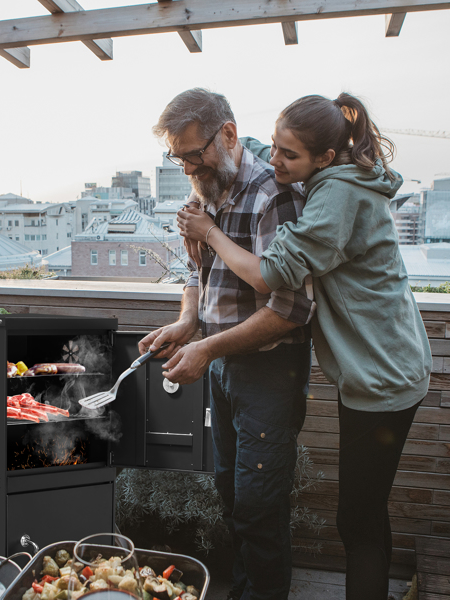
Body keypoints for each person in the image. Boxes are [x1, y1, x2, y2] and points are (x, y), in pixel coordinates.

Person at [177, 93, 432, 600]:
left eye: (288, 155)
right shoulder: (324, 177)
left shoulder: (333, 196)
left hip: (381, 374)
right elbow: (242, 152)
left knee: (355, 521)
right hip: (375, 367)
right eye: (273, 148)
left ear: (325, 157)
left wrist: (209, 233)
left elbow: (272, 276)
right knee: (366, 511)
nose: (275, 161)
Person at [139, 88, 316, 600]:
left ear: (229, 134)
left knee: (260, 507)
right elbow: (197, 273)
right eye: (179, 157)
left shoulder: (271, 194)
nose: (188, 166)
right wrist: (187, 324)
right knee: (232, 494)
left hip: (269, 373)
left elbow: (291, 312)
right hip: (224, 369)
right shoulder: (206, 189)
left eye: (195, 153)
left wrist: (208, 350)